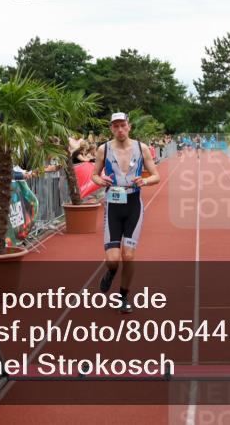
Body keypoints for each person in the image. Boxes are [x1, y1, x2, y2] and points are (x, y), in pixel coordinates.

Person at [91, 112, 160, 314]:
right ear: (111, 128)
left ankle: (123, 296)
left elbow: (156, 175)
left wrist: (145, 181)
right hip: (113, 204)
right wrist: (100, 180)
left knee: (128, 256)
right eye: (115, 126)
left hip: (133, 204)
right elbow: (94, 175)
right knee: (113, 259)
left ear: (129, 126)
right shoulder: (103, 149)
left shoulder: (142, 148)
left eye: (123, 125)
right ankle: (111, 271)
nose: (119, 129)